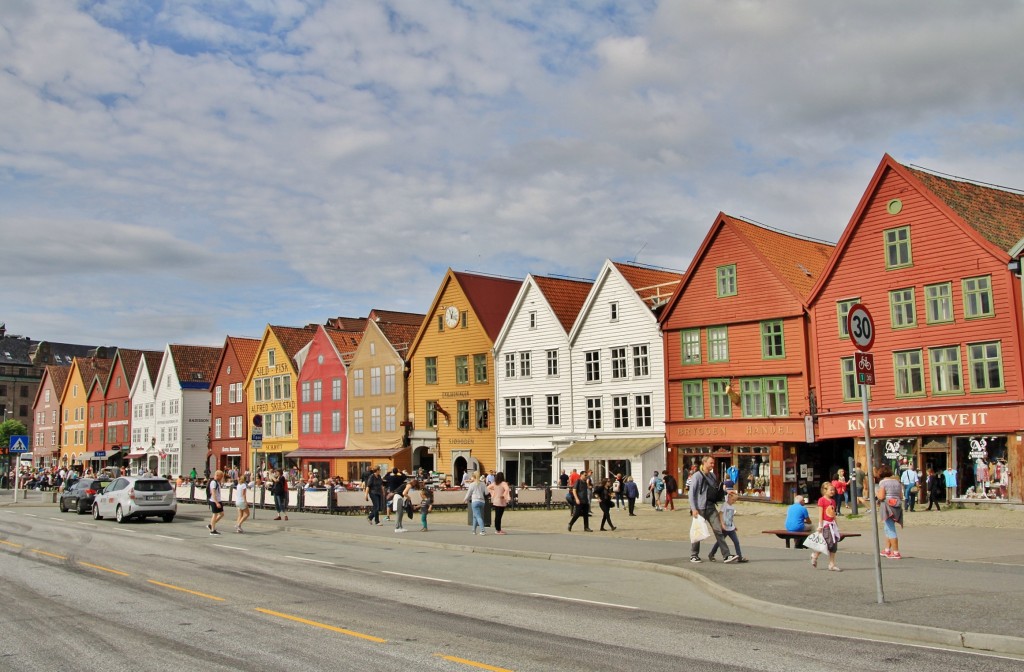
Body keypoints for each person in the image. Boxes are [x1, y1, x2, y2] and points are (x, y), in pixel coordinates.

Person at [688, 456, 737, 563]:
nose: (712, 465)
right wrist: (693, 508)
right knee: (698, 530)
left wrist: (726, 492)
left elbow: (715, 489)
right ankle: (694, 554)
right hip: (700, 508)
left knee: (718, 530)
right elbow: (691, 493)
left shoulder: (712, 475)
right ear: (704, 462)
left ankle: (726, 555)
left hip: (711, 506)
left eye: (713, 463)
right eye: (711, 463)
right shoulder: (697, 476)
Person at [810, 482, 842, 572]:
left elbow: (833, 514)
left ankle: (832, 564)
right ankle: (815, 555)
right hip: (826, 525)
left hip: (832, 525)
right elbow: (821, 514)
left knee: (834, 545)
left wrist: (836, 524)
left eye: (833, 490)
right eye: (831, 490)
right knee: (828, 543)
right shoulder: (822, 500)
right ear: (825, 490)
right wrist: (820, 525)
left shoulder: (833, 501)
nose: (833, 491)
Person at [710, 490, 747, 563]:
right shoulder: (725, 505)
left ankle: (739, 557)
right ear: (729, 498)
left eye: (735, 500)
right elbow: (720, 514)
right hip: (725, 528)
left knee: (736, 542)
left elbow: (730, 517)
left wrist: (734, 525)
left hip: (731, 528)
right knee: (720, 542)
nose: (734, 501)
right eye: (733, 500)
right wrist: (722, 524)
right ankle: (711, 554)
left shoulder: (733, 508)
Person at [877, 465, 904, 559]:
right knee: (887, 528)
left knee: (890, 529)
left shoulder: (883, 482)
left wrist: (877, 494)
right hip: (897, 506)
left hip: (887, 506)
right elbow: (901, 496)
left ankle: (896, 552)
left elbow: (881, 496)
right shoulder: (897, 482)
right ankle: (887, 550)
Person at [207, 469, 225, 536]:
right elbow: (213, 493)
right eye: (221, 476)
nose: (221, 478)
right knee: (215, 515)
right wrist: (216, 502)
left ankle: (211, 525)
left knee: (222, 514)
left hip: (218, 500)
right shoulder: (213, 482)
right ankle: (212, 530)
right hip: (214, 501)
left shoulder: (217, 482)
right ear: (217, 476)